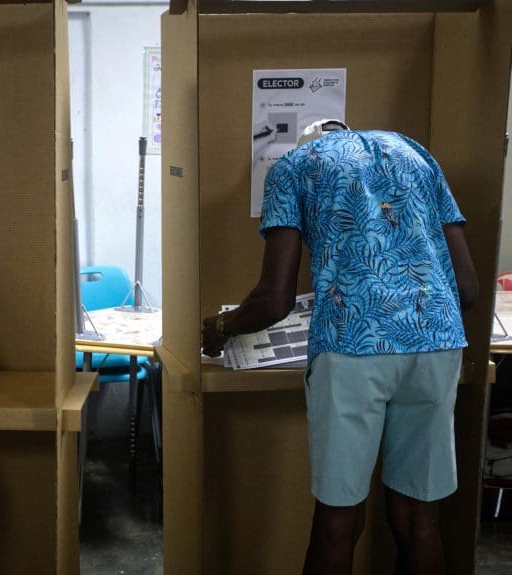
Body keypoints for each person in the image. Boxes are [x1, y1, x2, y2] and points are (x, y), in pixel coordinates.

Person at [201, 120, 478, 575]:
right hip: (437, 341)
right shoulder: (415, 154)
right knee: (419, 521)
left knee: (337, 522)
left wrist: (222, 327)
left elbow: (274, 300)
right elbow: (466, 288)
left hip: (353, 347)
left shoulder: (292, 166)